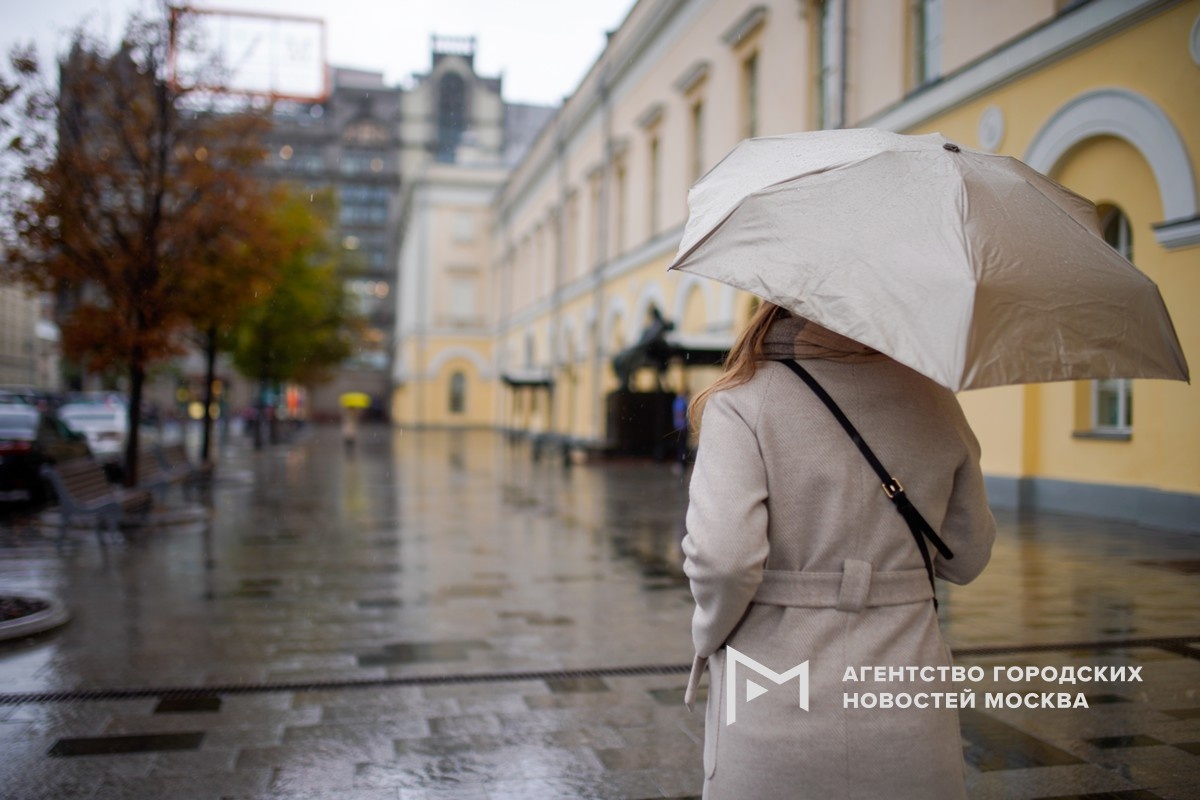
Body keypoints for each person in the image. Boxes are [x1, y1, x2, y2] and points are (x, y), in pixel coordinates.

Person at [681, 301, 995, 799]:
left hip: (775, 704)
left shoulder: (742, 399)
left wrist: (709, 635)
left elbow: (724, 561)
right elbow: (968, 554)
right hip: (908, 708)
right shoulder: (934, 399)